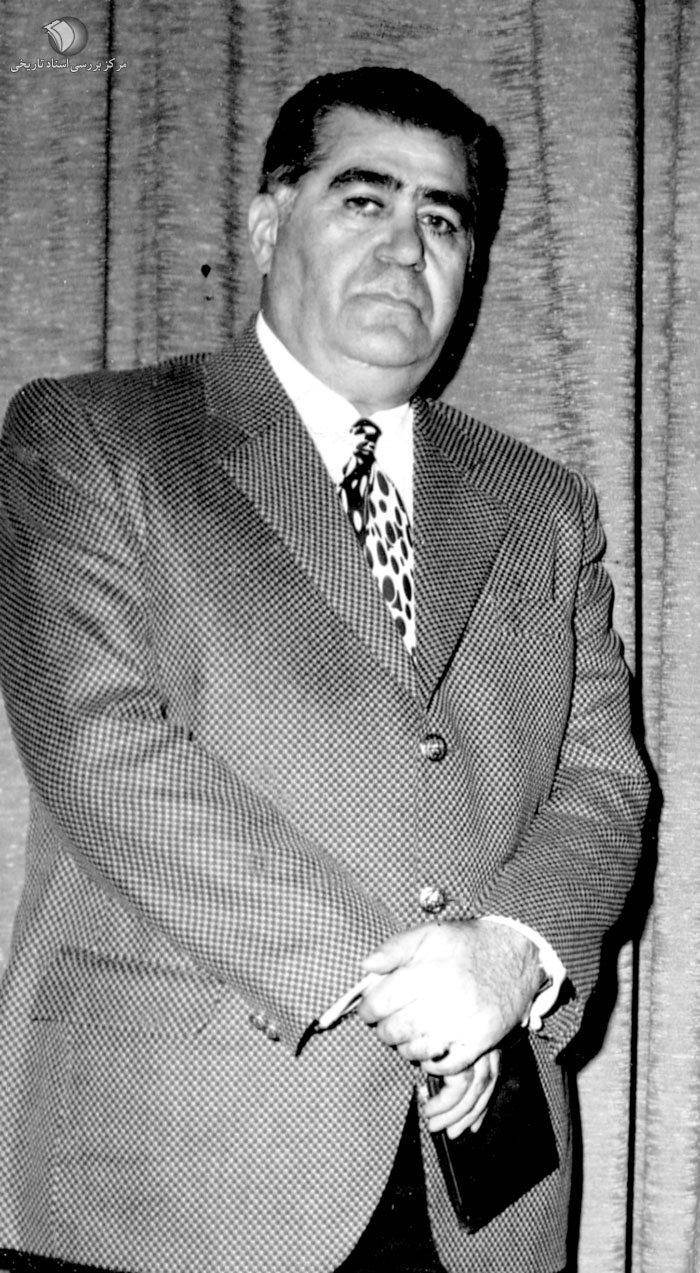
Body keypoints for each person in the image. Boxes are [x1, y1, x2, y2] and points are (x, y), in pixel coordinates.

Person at [0, 66, 649, 1273]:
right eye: (365, 199)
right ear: (265, 226)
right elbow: (100, 747)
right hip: (177, 1169)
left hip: (482, 1194)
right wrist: (398, 986)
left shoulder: (543, 506)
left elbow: (603, 784)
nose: (407, 247)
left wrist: (510, 954)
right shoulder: (96, 436)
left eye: (443, 218)